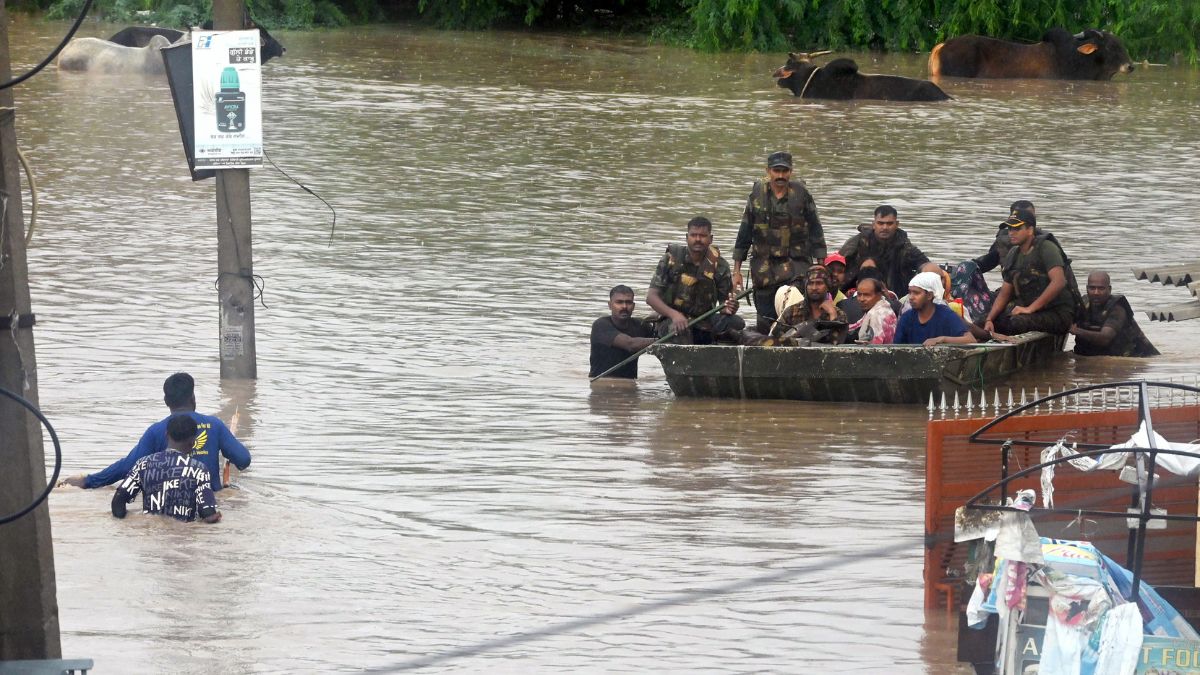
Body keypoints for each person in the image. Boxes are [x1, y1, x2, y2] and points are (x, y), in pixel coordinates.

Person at [62, 372, 251, 491]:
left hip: (170, 506)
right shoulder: (215, 425)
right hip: (209, 503)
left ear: (166, 402)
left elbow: (128, 467)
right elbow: (243, 459)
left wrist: (89, 481)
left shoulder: (156, 431)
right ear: (193, 398)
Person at [732, 151, 827, 332]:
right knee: (766, 321)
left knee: (795, 316)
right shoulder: (757, 196)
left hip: (796, 266)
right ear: (768, 171)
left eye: (785, 171)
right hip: (764, 269)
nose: (781, 176)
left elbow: (816, 231)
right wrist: (736, 271)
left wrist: (821, 266)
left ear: (791, 172)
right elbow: (744, 233)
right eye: (777, 171)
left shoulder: (801, 195)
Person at [982, 207, 1078, 337]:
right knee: (982, 321)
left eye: (1017, 228)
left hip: (1056, 313)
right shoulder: (1013, 254)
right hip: (1030, 310)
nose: (1011, 233)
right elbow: (1005, 293)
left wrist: (1030, 309)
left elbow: (1059, 282)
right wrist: (989, 319)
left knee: (1015, 323)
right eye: (1010, 229)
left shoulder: (1046, 248)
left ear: (1030, 230)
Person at [647, 216, 745, 344]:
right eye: (694, 235)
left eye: (703, 236)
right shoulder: (670, 259)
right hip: (671, 319)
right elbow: (651, 297)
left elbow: (724, 304)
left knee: (737, 323)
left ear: (711, 239)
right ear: (687, 237)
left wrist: (730, 307)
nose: (698, 239)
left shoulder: (720, 265)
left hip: (704, 320)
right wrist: (674, 315)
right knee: (680, 330)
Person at [111, 414, 221, 523]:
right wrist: (218, 516)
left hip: (151, 534)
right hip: (185, 537)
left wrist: (125, 523)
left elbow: (118, 501)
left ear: (166, 435)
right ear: (193, 442)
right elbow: (208, 514)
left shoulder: (143, 464)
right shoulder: (199, 470)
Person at [839, 205, 942, 295]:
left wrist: (931, 271)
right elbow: (838, 263)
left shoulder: (904, 245)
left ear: (896, 224)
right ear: (874, 224)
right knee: (868, 264)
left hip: (897, 294)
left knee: (932, 270)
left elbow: (923, 262)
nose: (885, 227)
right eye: (880, 223)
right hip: (861, 293)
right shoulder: (858, 241)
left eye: (889, 224)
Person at [1070, 271, 1160, 357]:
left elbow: (1105, 338)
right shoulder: (1083, 304)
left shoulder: (1118, 308)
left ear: (1109, 289)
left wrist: (1077, 331)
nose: (1096, 292)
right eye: (1092, 288)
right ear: (1087, 289)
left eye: (1101, 288)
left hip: (1137, 358)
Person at [589, 285, 657, 378]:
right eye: (619, 302)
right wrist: (659, 340)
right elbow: (630, 345)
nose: (624, 306)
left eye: (628, 302)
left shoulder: (641, 325)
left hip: (631, 382)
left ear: (633, 306)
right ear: (610, 305)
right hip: (602, 384)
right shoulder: (600, 325)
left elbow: (663, 339)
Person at [895, 272, 977, 347]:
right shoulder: (906, 317)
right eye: (910, 292)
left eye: (916, 293)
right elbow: (896, 348)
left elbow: (971, 340)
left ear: (929, 295)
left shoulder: (946, 315)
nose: (911, 297)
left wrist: (942, 339)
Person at [771, 265, 847, 344]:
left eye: (819, 283)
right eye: (810, 283)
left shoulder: (839, 314)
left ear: (827, 286)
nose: (814, 287)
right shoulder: (791, 312)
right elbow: (775, 342)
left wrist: (833, 315)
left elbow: (837, 345)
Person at [973, 200, 1041, 274]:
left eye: (1031, 216)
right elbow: (985, 263)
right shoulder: (1003, 243)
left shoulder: (1045, 244)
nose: (1028, 220)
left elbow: (1055, 279)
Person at [849, 277, 897, 344]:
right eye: (859, 294)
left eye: (867, 295)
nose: (862, 299)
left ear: (879, 295)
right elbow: (856, 326)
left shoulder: (876, 315)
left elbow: (874, 349)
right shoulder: (882, 307)